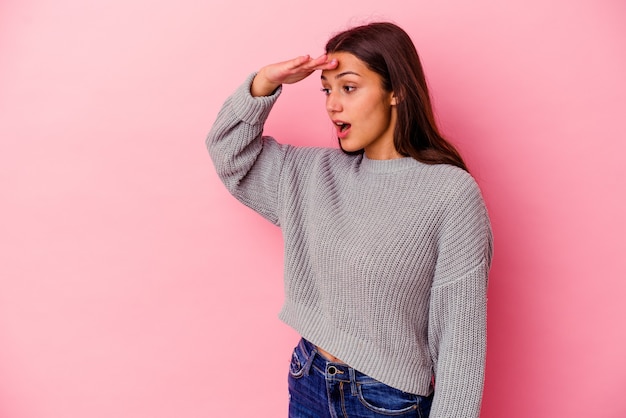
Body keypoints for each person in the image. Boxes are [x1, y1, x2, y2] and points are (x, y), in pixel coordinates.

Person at [207, 22, 493, 418]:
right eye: (327, 89)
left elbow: (461, 345)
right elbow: (228, 153)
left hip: (385, 402)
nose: (332, 105)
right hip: (309, 380)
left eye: (349, 87)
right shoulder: (311, 174)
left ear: (397, 91)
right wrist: (264, 83)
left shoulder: (450, 194)